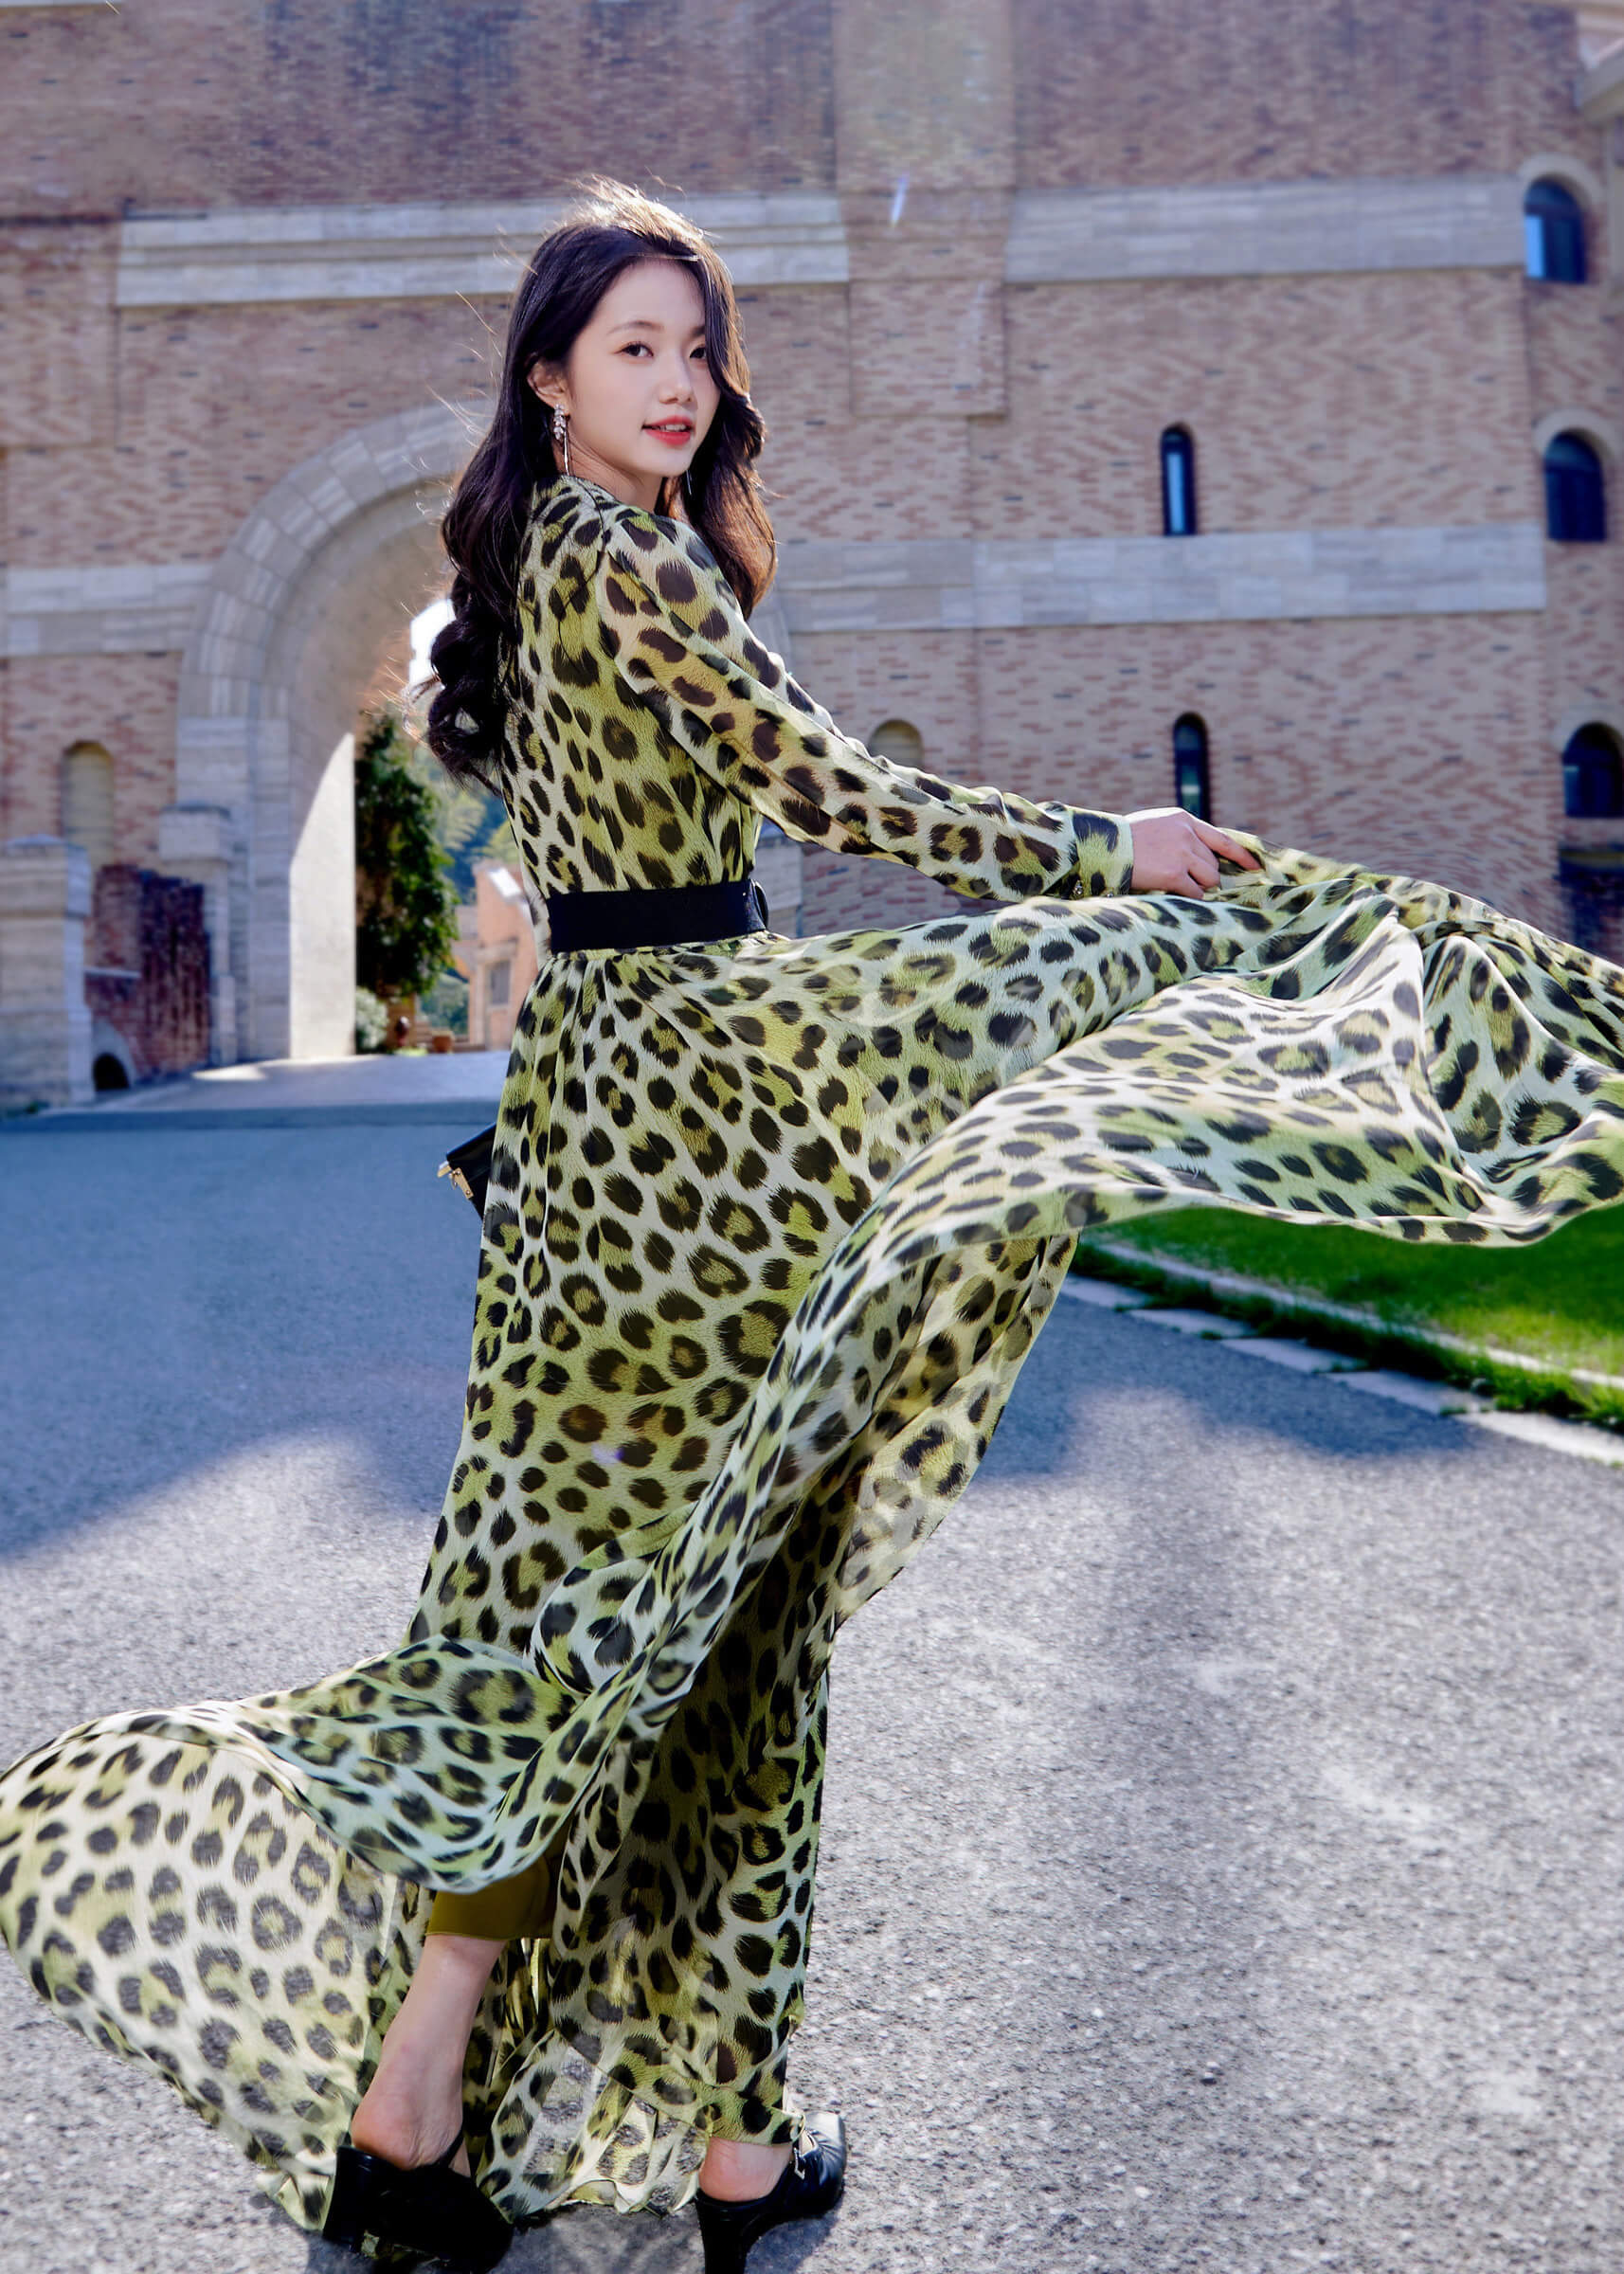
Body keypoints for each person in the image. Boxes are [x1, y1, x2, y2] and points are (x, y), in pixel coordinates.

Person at [3, 178, 1623, 2274]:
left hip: (593, 1117)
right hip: (696, 1116)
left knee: (564, 1628)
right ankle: (717, 2148)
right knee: (726, 1639)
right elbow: (827, 786)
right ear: (549, 380)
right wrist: (1092, 851)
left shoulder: (532, 569)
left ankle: (426, 2122)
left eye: (697, 347)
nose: (677, 386)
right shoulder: (627, 564)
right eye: (633, 351)